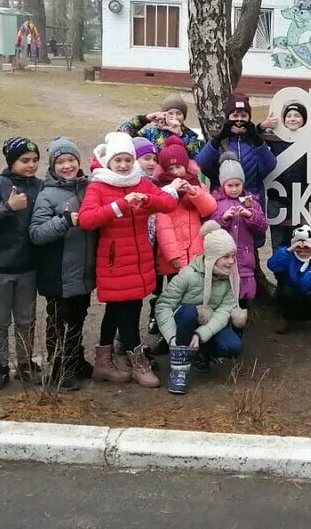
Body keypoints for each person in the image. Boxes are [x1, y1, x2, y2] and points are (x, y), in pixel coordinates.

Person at [79, 132, 179, 388]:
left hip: (139, 260)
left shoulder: (140, 182)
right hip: (114, 261)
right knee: (126, 311)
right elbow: (87, 219)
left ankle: (103, 361)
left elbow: (168, 202)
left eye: (127, 159)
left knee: (120, 309)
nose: (123, 165)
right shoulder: (98, 186)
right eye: (118, 161)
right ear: (108, 162)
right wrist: (120, 205)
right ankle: (137, 363)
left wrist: (147, 200)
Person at [0, 137, 44, 390]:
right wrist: (8, 207)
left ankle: (25, 363)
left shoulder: (40, 186)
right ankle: (0, 365)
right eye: (25, 161)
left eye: (35, 160)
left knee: (26, 320)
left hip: (28, 266)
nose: (31, 165)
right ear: (11, 161)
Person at [29, 137, 96, 391]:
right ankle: (59, 367)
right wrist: (64, 222)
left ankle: (76, 360)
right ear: (52, 165)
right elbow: (36, 233)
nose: (67, 166)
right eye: (61, 162)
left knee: (79, 316)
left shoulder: (88, 188)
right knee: (60, 320)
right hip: (58, 272)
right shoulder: (47, 195)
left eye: (71, 160)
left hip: (83, 271)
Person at [155, 221, 247, 394]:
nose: (231, 261)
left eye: (233, 256)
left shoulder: (231, 277)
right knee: (189, 311)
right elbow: (163, 305)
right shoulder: (188, 274)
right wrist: (171, 335)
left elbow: (225, 310)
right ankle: (178, 370)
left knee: (233, 346)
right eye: (226, 256)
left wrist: (201, 334)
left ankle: (202, 353)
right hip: (182, 323)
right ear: (212, 257)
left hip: (207, 323)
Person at [148, 136, 217, 341]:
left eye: (180, 167)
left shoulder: (196, 184)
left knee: (194, 296)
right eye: (172, 169)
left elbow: (209, 207)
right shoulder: (160, 190)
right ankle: (167, 335)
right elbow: (162, 226)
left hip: (195, 253)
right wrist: (173, 256)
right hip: (173, 257)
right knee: (171, 298)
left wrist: (194, 192)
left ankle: (191, 334)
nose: (177, 172)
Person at [196, 93, 277, 214]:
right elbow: (201, 165)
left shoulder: (254, 142)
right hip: (222, 205)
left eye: (243, 116)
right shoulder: (220, 143)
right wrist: (218, 138)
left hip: (251, 204)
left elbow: (269, 166)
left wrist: (257, 139)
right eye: (235, 115)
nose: (239, 120)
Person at [211, 153, 268, 306]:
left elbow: (262, 226)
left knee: (244, 297)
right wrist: (224, 218)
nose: (234, 189)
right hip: (223, 259)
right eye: (230, 185)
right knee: (224, 296)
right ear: (223, 184)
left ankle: (241, 323)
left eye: (238, 185)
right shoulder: (216, 202)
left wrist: (250, 215)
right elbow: (210, 227)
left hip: (246, 259)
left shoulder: (251, 202)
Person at [268, 225, 311, 333]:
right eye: (300, 247)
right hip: (294, 300)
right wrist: (289, 249)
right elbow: (272, 265)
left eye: (307, 247)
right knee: (285, 292)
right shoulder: (289, 257)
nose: (303, 250)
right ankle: (285, 318)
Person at [263, 101, 310, 250]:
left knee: (304, 241)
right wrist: (264, 125)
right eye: (288, 116)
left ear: (304, 120)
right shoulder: (274, 139)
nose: (292, 118)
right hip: (277, 199)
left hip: (302, 198)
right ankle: (280, 273)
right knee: (279, 242)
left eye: (297, 115)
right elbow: (253, 137)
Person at [118, 94, 204, 158]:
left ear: (184, 116)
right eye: (170, 113)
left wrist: (181, 135)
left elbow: (197, 159)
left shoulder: (190, 136)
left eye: (179, 114)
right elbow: (121, 134)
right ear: (164, 114)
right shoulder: (151, 134)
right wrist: (145, 119)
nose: (174, 117)